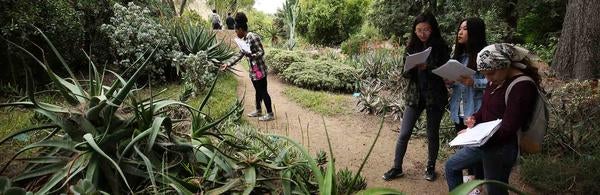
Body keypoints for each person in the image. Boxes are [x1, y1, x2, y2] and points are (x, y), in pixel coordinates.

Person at [445, 43, 540, 195]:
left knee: (496, 190)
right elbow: (485, 108)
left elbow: (509, 128)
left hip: (501, 148)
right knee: (451, 166)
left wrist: (476, 136)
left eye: (491, 73)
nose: (488, 78)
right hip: (484, 141)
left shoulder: (522, 86)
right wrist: (475, 119)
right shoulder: (496, 79)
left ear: (504, 65)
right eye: (485, 74)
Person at [383, 12, 450, 182]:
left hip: (435, 96)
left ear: (433, 29)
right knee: (404, 133)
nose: (422, 34)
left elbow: (446, 71)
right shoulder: (411, 46)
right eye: (419, 30)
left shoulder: (441, 46)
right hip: (415, 96)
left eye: (426, 30)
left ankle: (430, 167)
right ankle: (397, 167)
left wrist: (427, 66)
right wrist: (412, 66)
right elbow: (404, 73)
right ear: (414, 30)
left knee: (432, 133)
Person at [446, 17, 488, 187]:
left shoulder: (484, 56)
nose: (460, 32)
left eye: (464, 29)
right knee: (464, 154)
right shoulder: (458, 55)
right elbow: (457, 84)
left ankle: (476, 186)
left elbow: (494, 83)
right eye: (459, 29)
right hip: (459, 111)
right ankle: (470, 187)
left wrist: (474, 82)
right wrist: (449, 81)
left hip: (476, 112)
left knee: (474, 157)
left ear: (475, 32)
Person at [220, 12, 274, 121]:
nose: (235, 33)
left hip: (259, 70)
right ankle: (258, 110)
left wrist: (251, 55)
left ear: (240, 29)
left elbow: (261, 52)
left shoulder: (252, 37)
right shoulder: (244, 40)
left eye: (236, 31)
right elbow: (240, 54)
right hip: (254, 70)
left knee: (263, 91)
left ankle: (270, 113)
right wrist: (228, 64)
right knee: (258, 90)